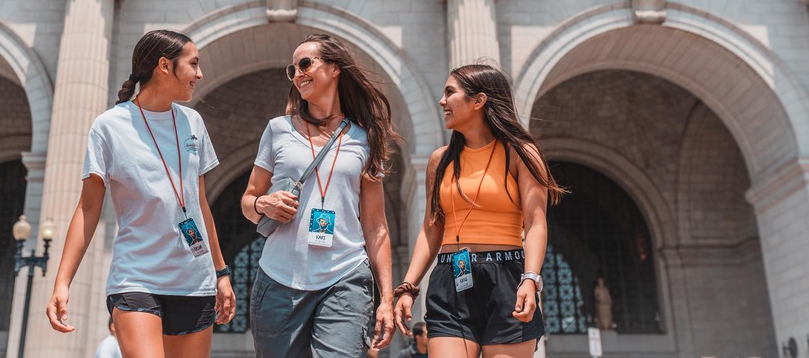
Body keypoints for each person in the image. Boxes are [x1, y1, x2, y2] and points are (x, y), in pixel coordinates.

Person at [46, 29, 235, 358]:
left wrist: (221, 273)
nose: (199, 74)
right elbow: (88, 209)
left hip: (194, 280)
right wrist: (62, 282)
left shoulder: (193, 123)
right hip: (136, 279)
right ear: (165, 65)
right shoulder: (109, 126)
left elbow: (200, 205)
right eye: (193, 63)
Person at [242, 32, 399, 357]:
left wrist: (386, 298)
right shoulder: (277, 129)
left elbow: (376, 225)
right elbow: (248, 201)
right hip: (279, 279)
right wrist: (264, 203)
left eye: (305, 64)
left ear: (335, 68)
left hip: (345, 276)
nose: (297, 73)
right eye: (292, 69)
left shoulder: (366, 140)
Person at [393, 64, 565, 358]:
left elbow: (536, 224)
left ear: (478, 100)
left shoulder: (521, 152)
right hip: (450, 278)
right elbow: (431, 228)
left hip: (507, 278)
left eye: (450, 92)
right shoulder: (440, 160)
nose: (442, 100)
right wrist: (408, 286)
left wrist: (530, 278)